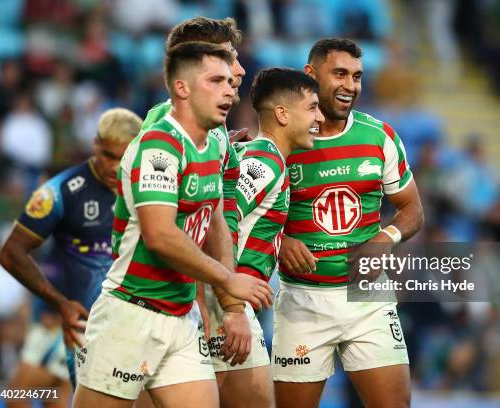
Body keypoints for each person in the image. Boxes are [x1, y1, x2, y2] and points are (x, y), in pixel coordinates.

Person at [72, 41, 272, 408]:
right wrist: (227, 279)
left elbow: (215, 222)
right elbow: (160, 235)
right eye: (216, 80)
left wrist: (228, 307)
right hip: (132, 314)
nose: (229, 90)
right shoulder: (160, 146)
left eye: (231, 81)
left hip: (181, 318)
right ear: (181, 88)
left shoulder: (214, 145)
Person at [275, 38, 424, 408]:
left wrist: (385, 238)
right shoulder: (281, 141)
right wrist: (280, 242)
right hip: (302, 299)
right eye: (339, 73)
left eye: (357, 76)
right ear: (310, 75)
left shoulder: (379, 137)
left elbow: (412, 211)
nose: (350, 85)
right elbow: (245, 220)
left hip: (367, 298)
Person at [139, 17, 274, 407]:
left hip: (212, 286)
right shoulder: (161, 131)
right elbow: (170, 230)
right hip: (179, 298)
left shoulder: (210, 132)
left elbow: (208, 211)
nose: (241, 69)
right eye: (230, 58)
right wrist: (226, 305)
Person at [0, 107, 143, 407]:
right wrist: (57, 302)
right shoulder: (60, 191)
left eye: (123, 158)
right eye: (108, 156)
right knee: (17, 395)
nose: (115, 167)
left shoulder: (150, 187)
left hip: (128, 324)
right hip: (74, 324)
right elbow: (11, 253)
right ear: (95, 144)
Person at [205, 67, 324, 407]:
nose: (319, 117)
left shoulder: (261, 157)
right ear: (283, 114)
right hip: (224, 304)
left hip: (225, 299)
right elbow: (218, 221)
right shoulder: (264, 161)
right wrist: (231, 308)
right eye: (312, 107)